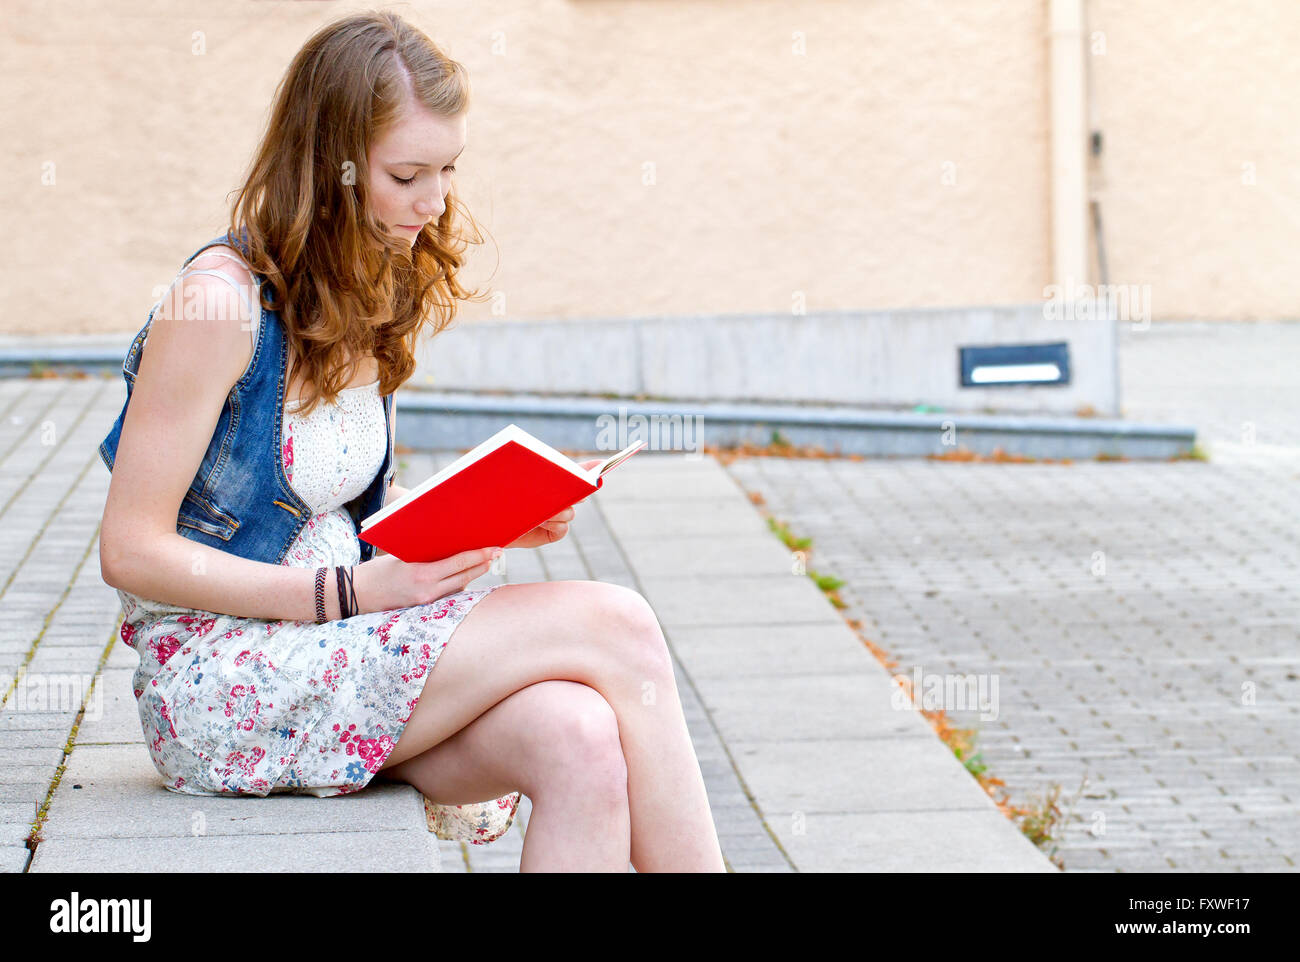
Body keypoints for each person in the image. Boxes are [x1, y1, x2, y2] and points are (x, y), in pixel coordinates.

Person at [97, 10, 725, 873]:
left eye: (447, 170)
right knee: (616, 622)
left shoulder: (368, 285)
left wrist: (493, 518)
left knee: (580, 737)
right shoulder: (216, 304)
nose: (433, 203)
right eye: (406, 174)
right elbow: (129, 552)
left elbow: (352, 511)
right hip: (225, 675)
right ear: (332, 168)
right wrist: (349, 591)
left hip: (343, 641)